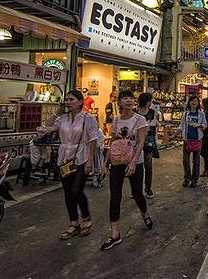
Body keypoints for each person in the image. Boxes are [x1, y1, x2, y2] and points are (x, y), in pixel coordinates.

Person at [38, 90, 101, 240]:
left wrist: (89, 161)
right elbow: (46, 129)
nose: (68, 102)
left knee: (76, 190)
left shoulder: (87, 118)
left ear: (80, 101)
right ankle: (73, 223)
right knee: (67, 192)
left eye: (71, 99)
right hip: (64, 159)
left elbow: (93, 140)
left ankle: (86, 217)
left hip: (81, 158)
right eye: (66, 99)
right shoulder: (63, 118)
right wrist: (57, 111)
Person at [101, 90, 153, 251]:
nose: (129, 100)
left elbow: (141, 142)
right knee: (115, 196)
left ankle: (144, 213)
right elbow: (113, 142)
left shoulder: (140, 119)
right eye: (125, 98)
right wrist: (105, 163)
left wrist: (133, 162)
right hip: (117, 162)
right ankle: (115, 233)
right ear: (119, 102)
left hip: (135, 162)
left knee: (137, 194)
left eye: (131, 97)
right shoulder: (116, 120)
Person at [136, 92, 162, 199]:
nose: (150, 103)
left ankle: (148, 188)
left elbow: (154, 125)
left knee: (148, 165)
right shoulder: (135, 112)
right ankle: (136, 189)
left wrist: (155, 139)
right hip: (137, 141)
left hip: (149, 141)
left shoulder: (152, 111)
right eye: (149, 101)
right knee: (137, 166)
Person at [180, 95, 207, 187]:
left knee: (196, 161)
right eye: (192, 101)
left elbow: (205, 124)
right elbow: (182, 125)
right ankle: (187, 178)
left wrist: (199, 126)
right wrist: (177, 135)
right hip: (187, 139)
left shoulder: (201, 113)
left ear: (198, 102)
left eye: (195, 101)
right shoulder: (185, 114)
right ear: (189, 102)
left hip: (197, 139)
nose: (194, 102)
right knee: (185, 160)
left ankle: (194, 180)